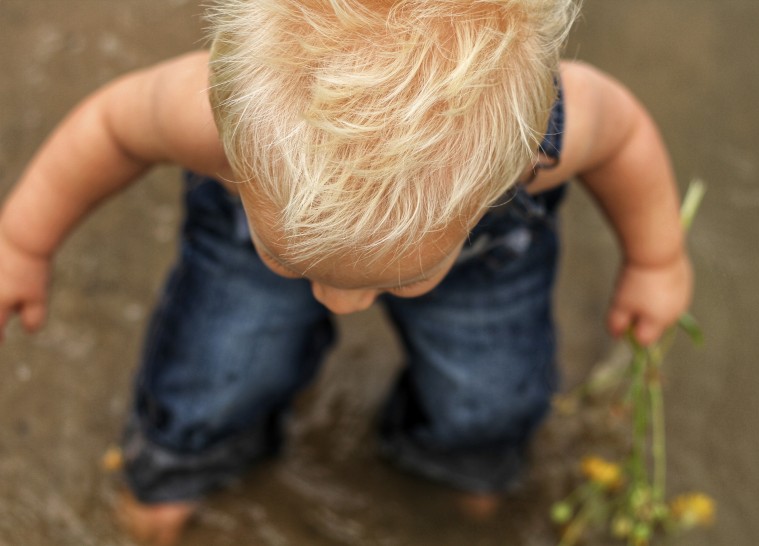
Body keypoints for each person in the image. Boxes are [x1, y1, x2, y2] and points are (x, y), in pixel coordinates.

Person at [0, 0, 691, 544]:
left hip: (484, 263)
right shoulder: (218, 122)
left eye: (402, 275)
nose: (344, 302)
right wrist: (23, 243)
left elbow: (625, 136)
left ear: (507, 178)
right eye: (296, 263)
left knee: (491, 391)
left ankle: (466, 461)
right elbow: (110, 129)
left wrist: (655, 259)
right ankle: (180, 466)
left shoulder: (535, 145)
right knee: (215, 365)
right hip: (251, 228)